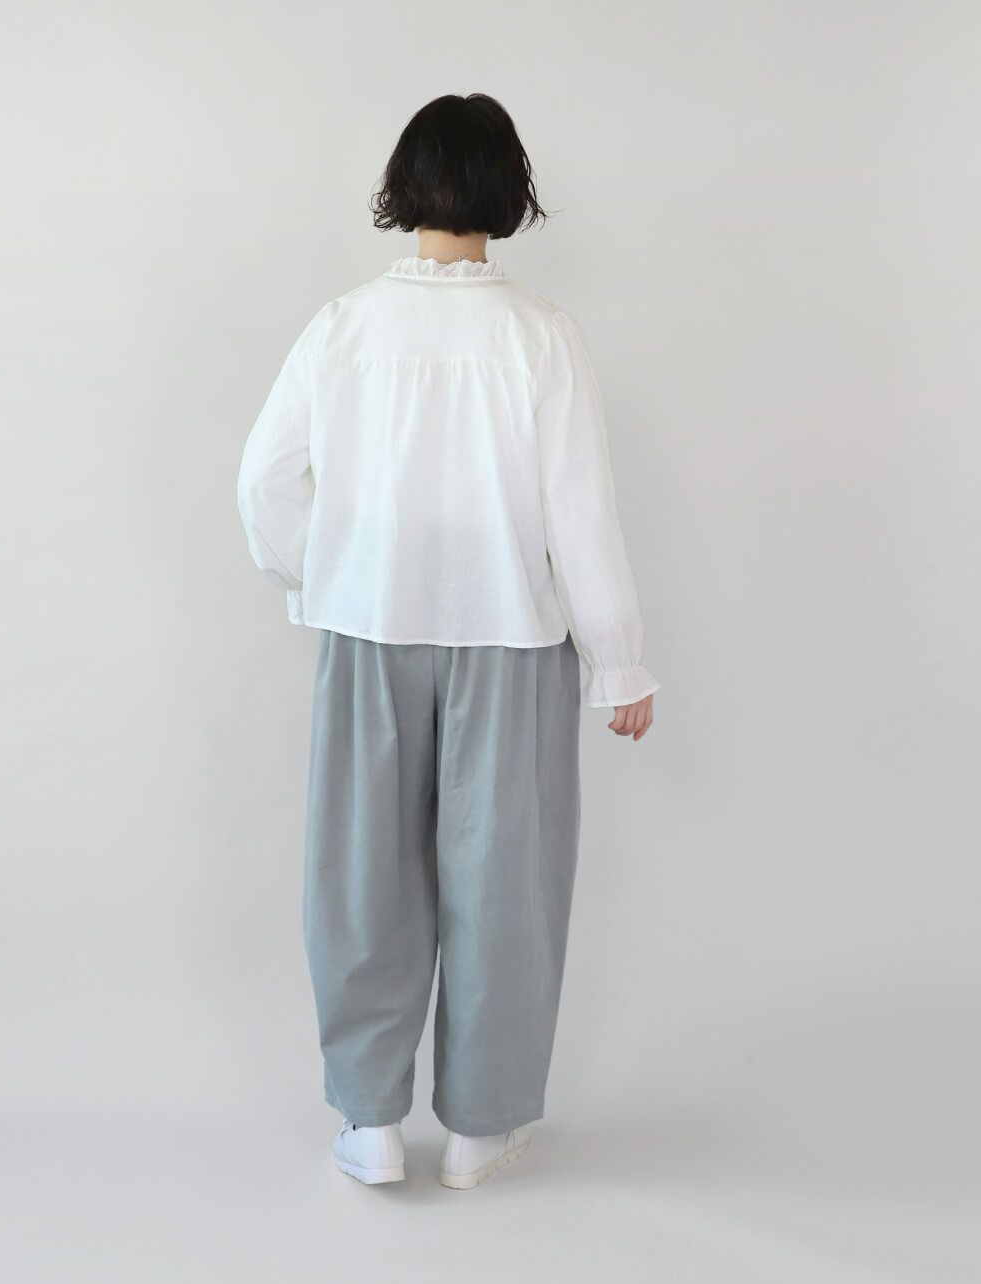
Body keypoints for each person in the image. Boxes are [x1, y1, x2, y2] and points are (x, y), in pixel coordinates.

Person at [237, 93, 660, 1191]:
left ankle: (369, 1122)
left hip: (370, 629)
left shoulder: (343, 326)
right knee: (505, 879)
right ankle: (481, 1128)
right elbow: (581, 514)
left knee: (358, 877)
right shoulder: (541, 336)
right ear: (507, 190)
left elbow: (263, 481)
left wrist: (320, 575)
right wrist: (617, 660)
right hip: (509, 635)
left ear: (404, 184)